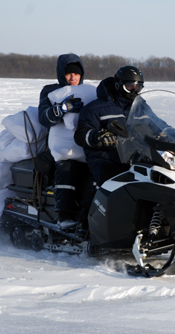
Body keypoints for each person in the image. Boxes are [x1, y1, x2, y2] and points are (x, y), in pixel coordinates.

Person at [74, 65, 145, 233]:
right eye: (131, 86)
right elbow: (80, 135)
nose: (134, 90)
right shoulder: (96, 107)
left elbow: (157, 125)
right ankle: (84, 224)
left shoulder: (141, 107)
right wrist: (99, 137)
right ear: (119, 85)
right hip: (104, 157)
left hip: (134, 156)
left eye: (138, 87)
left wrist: (172, 134)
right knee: (107, 181)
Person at [38, 53, 91, 223]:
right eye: (68, 73)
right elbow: (43, 118)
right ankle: (65, 216)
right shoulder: (50, 91)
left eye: (76, 73)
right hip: (59, 150)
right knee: (66, 169)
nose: (72, 77)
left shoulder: (89, 93)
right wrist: (60, 109)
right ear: (61, 73)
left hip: (86, 145)